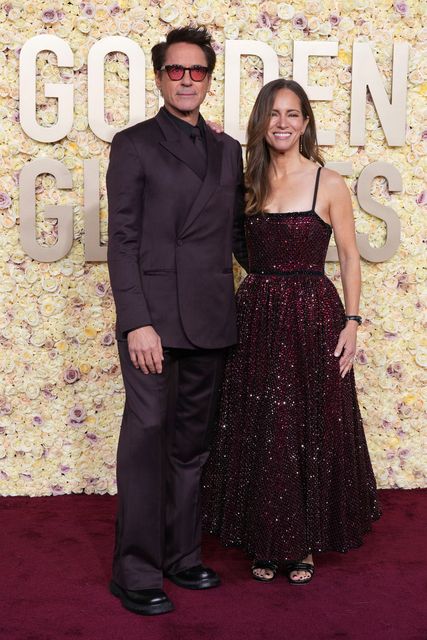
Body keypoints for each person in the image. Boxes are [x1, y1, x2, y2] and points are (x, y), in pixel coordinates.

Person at [202, 79, 380, 585]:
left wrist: (352, 321)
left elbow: (348, 255)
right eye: (273, 114)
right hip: (257, 313)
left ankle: (301, 545)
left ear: (305, 123)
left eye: (293, 114)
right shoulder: (247, 182)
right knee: (261, 426)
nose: (282, 123)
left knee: (307, 428)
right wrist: (212, 141)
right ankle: (266, 538)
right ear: (261, 123)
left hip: (313, 315)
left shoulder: (330, 182)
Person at [106, 26, 247, 615]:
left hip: (211, 318)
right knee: (145, 442)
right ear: (160, 77)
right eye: (175, 70)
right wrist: (137, 321)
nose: (187, 79)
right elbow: (122, 239)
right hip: (154, 325)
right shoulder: (133, 143)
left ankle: (182, 555)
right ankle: (134, 569)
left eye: (198, 71)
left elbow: (238, 234)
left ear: (209, 79)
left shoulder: (229, 149)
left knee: (191, 448)